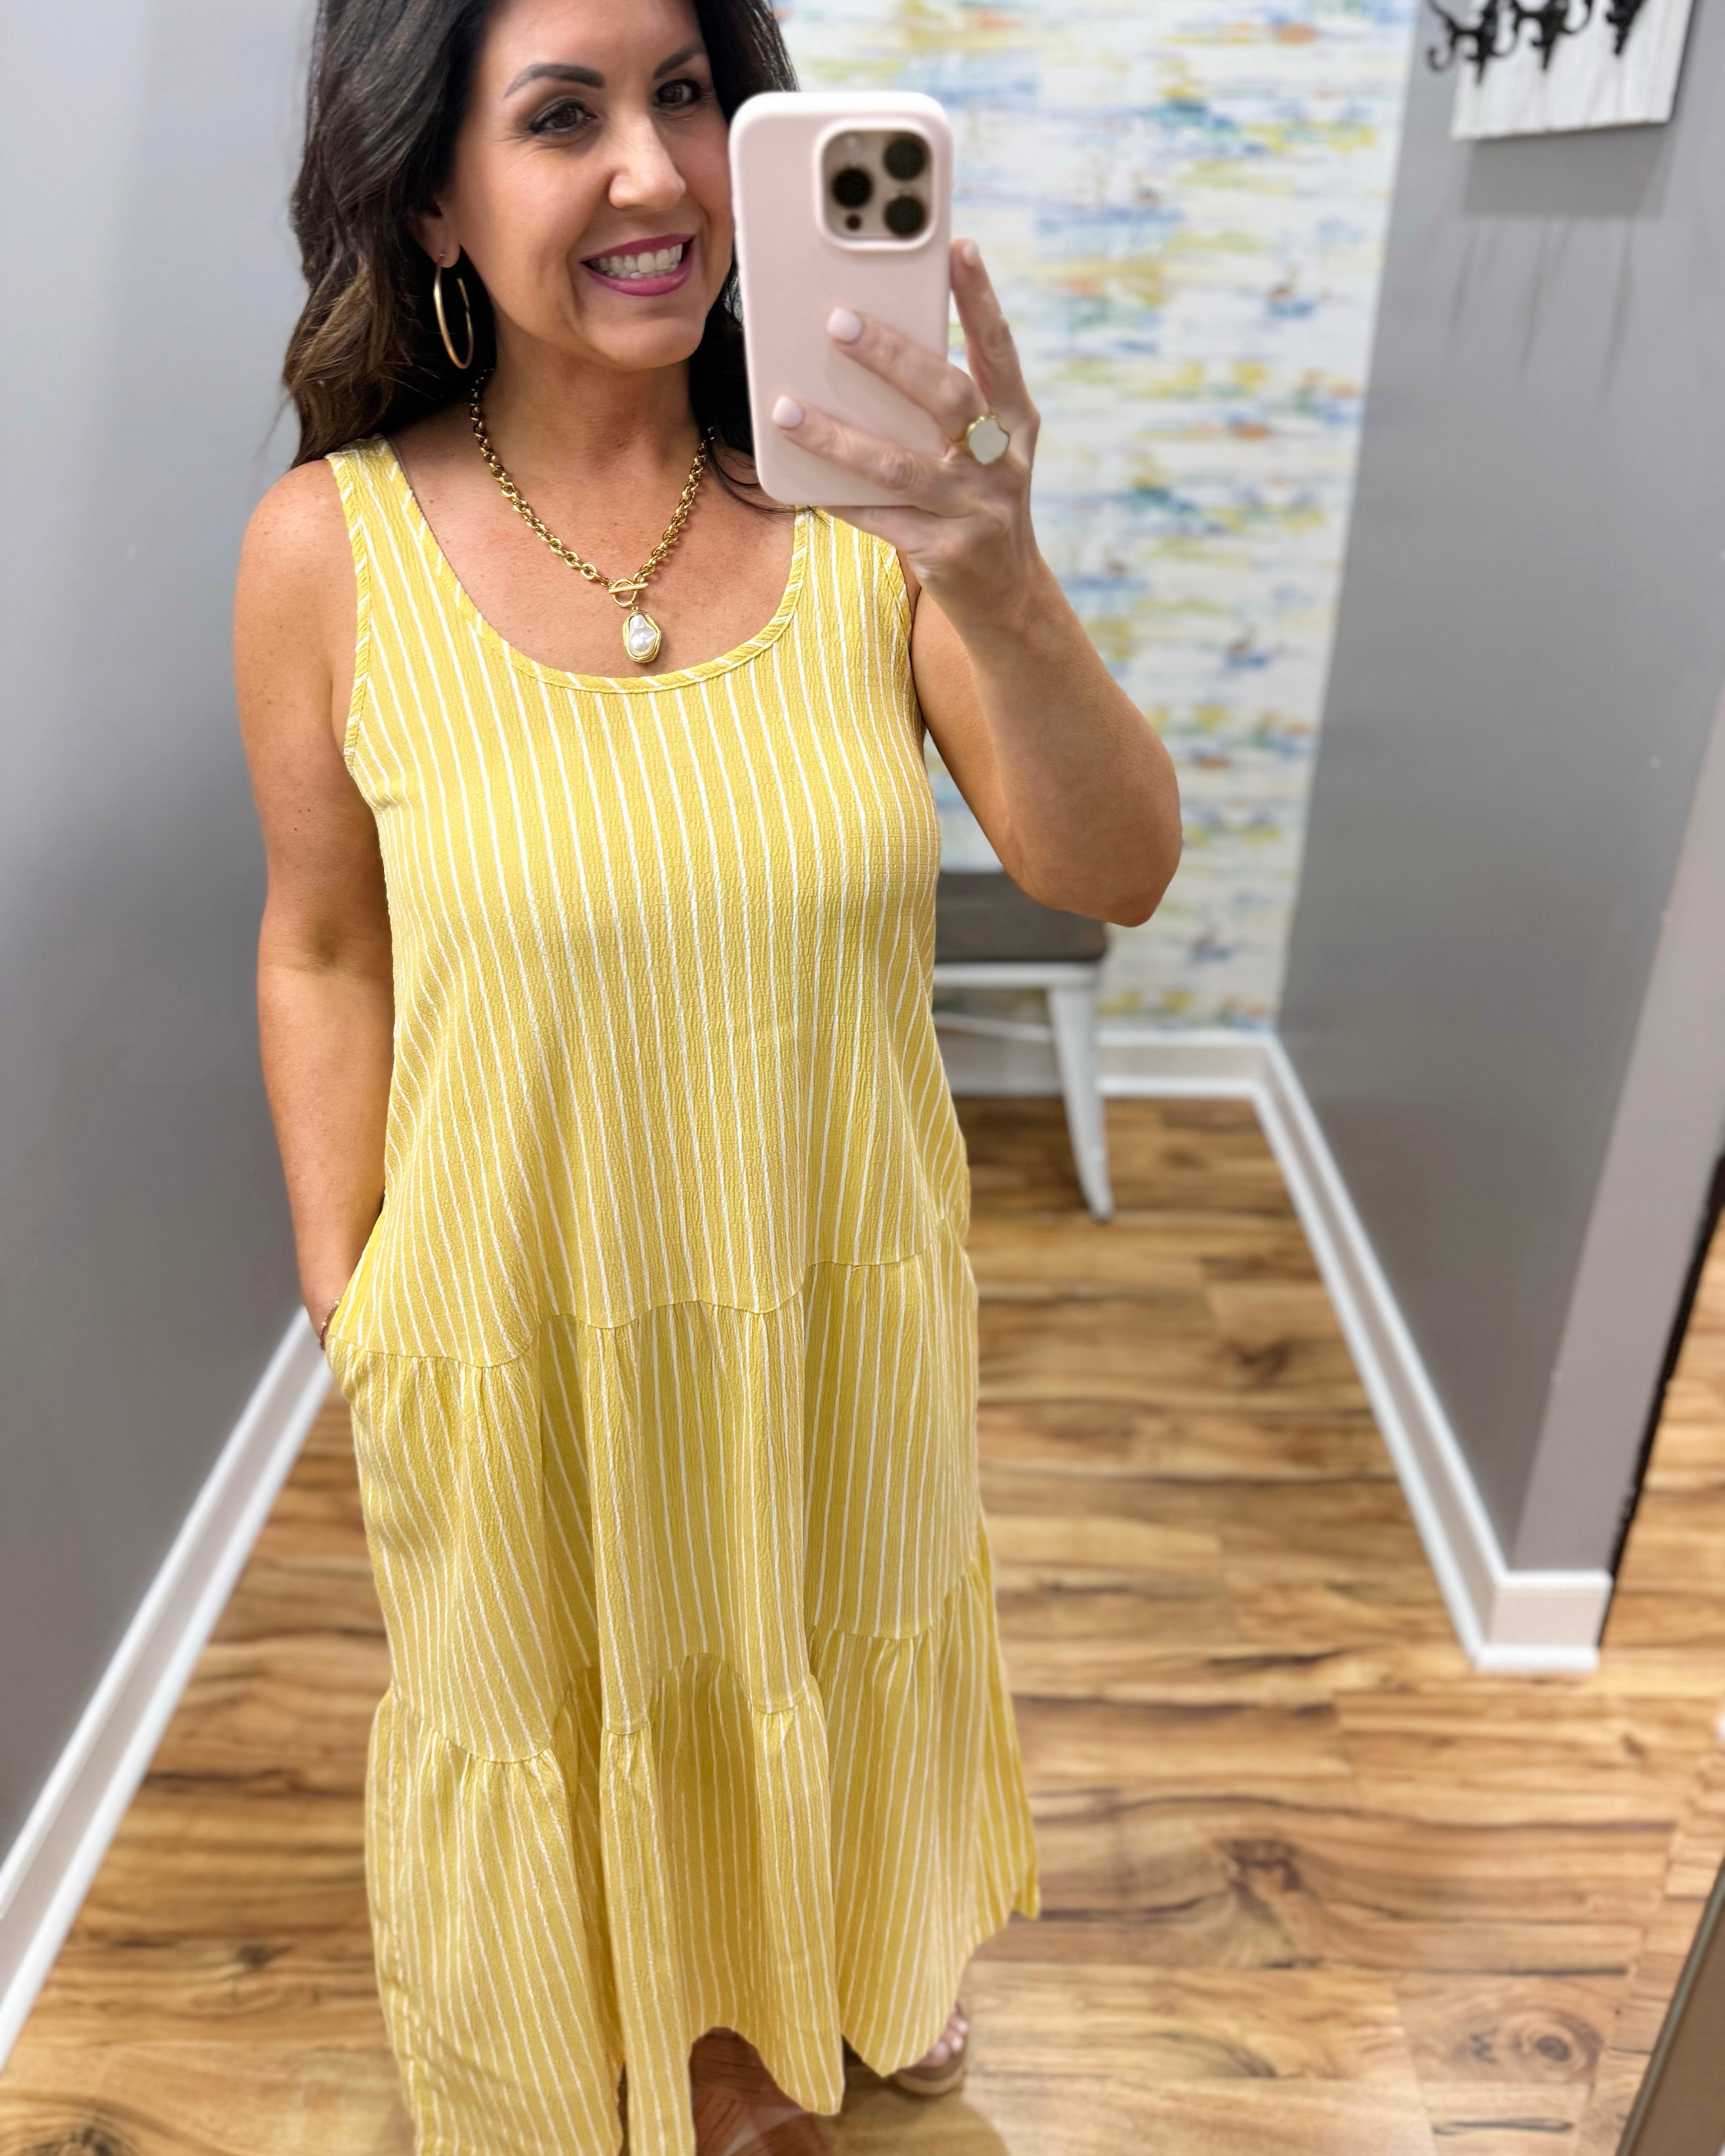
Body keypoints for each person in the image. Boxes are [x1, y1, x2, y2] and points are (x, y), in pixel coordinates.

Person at [233, 0, 1182, 2150]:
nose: (656, 172)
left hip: (832, 1314)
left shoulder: (867, 520)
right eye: (562, 115)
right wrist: (347, 1280)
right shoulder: (328, 550)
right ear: (431, 199)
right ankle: (678, 2041)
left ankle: (838, 1974)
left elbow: (1113, 870)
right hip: (519, 1336)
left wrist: (1000, 566)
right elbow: (321, 940)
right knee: (574, 1726)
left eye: (686, 94)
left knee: (836, 1653)